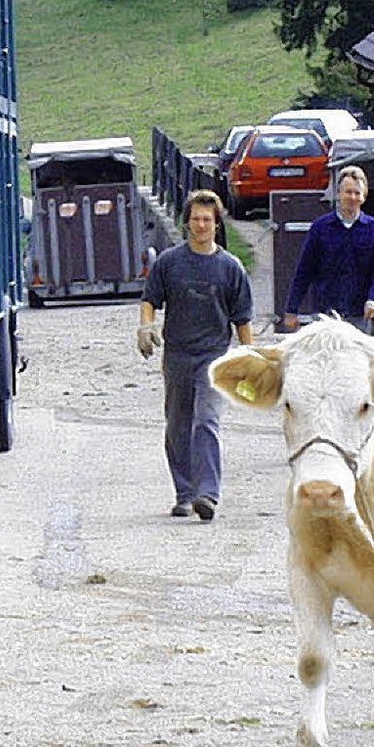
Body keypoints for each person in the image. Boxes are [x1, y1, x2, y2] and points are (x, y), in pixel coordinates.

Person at [137, 189, 254, 522]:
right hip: (177, 356)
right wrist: (145, 327)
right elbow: (150, 301)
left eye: (208, 219)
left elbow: (242, 320)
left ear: (217, 225)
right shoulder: (169, 263)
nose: (201, 225)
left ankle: (207, 494)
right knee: (177, 425)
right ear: (187, 222)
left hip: (214, 358)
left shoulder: (231, 268)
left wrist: (248, 359)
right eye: (196, 219)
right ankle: (185, 493)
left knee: (206, 421)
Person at [284, 165, 374, 334]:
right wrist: (292, 309)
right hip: (325, 314)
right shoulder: (321, 227)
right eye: (348, 192)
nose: (352, 197)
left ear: (364, 196)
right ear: (338, 194)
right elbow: (304, 270)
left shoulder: (373, 228)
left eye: (357, 193)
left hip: (358, 315)